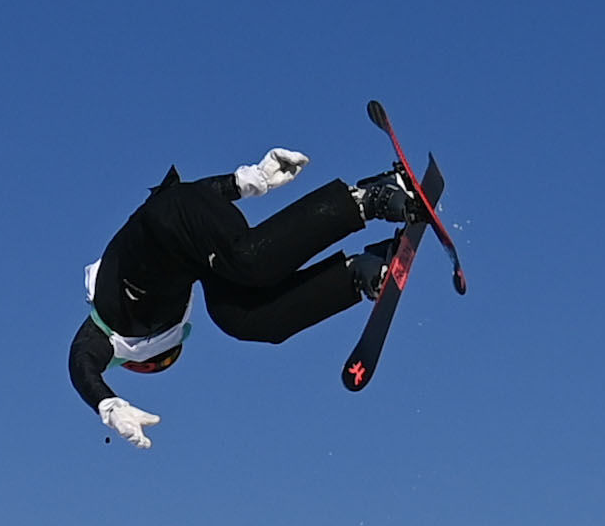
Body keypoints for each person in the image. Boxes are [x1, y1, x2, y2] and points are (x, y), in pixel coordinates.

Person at [68, 146, 432, 449]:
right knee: (242, 318)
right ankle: (357, 273)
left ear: (143, 360)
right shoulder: (160, 318)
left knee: (251, 263)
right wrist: (245, 182)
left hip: (173, 217)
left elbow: (81, 365)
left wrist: (107, 403)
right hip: (194, 247)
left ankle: (368, 198)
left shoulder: (107, 332)